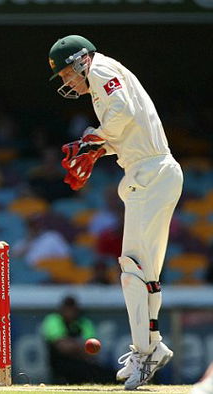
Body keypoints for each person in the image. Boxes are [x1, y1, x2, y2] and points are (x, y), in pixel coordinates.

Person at [48, 35, 183, 390]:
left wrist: (91, 139)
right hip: (151, 172)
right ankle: (153, 347)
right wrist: (98, 148)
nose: (66, 82)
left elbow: (121, 114)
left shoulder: (101, 70)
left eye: (65, 74)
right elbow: (125, 130)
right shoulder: (104, 77)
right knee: (145, 271)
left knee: (131, 269)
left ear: (80, 61)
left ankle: (144, 350)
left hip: (150, 174)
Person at [41, 296, 114, 384]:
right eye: (67, 309)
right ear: (62, 309)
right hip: (60, 366)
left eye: (72, 309)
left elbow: (93, 350)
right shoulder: (53, 320)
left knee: (108, 375)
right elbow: (63, 347)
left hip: (83, 364)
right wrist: (80, 347)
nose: (70, 312)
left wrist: (73, 345)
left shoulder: (84, 323)